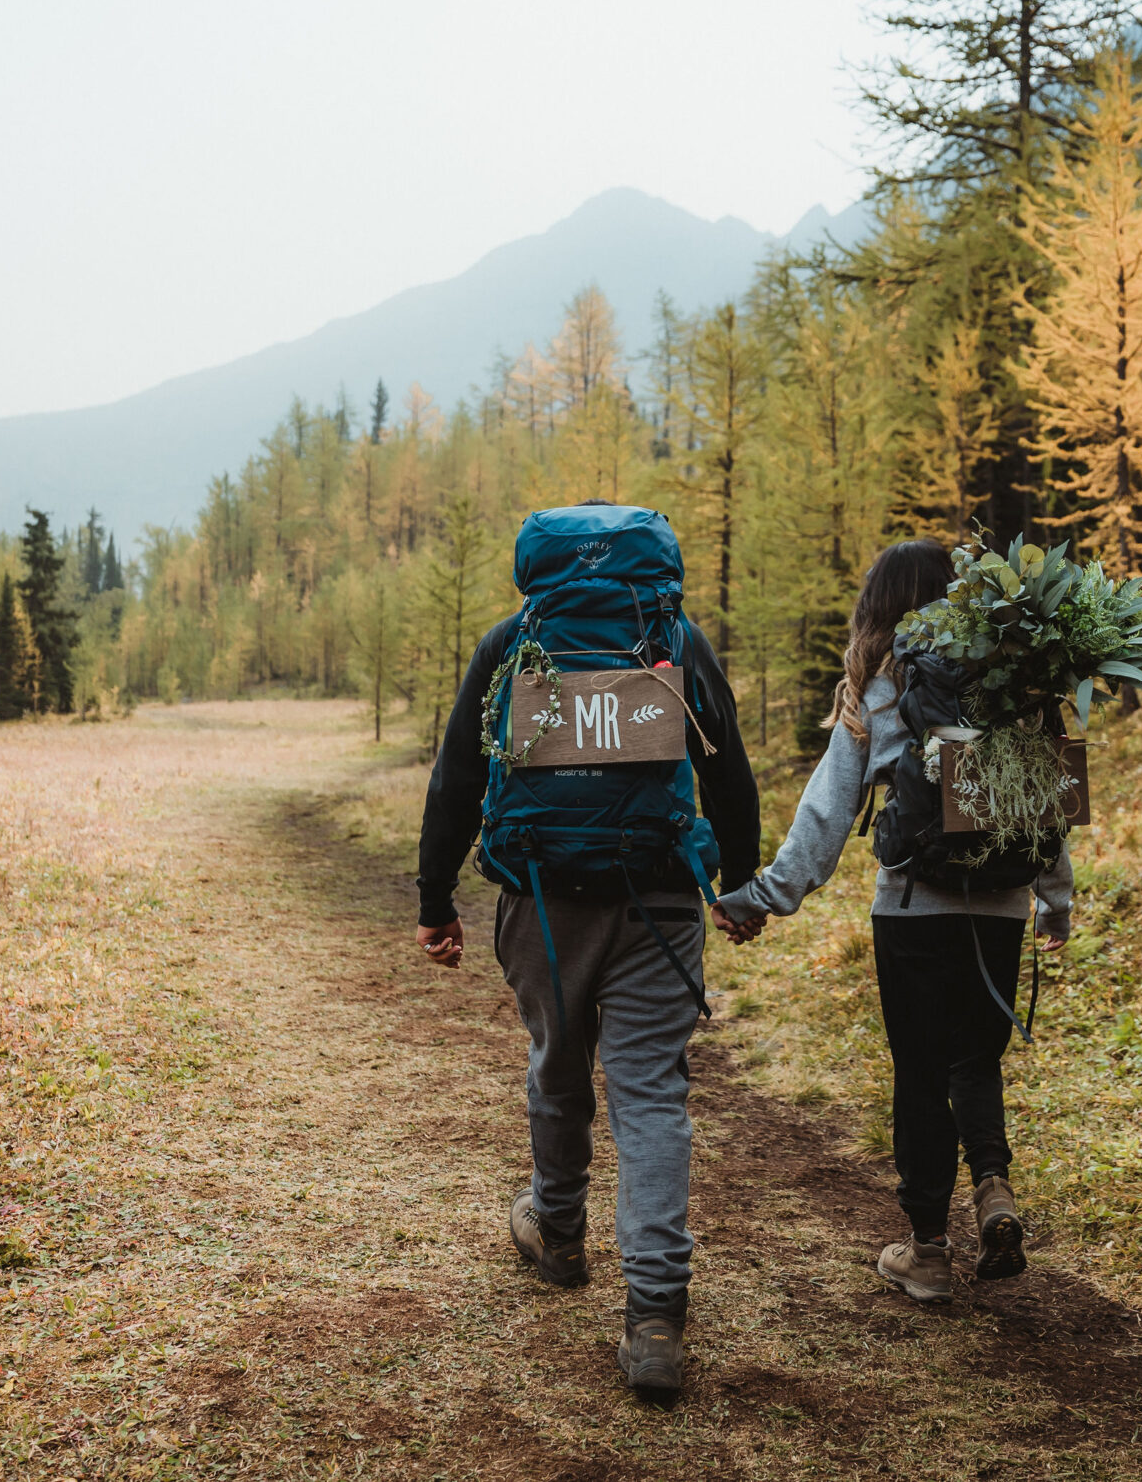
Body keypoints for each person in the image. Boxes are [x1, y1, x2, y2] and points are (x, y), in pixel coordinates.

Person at [415, 507, 758, 1404]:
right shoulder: (671, 636)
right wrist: (740, 880)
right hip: (660, 900)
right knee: (650, 1092)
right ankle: (653, 1313)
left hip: (541, 898)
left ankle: (559, 1233)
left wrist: (434, 899)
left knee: (558, 1067)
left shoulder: (515, 641)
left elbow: (457, 771)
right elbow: (728, 768)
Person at [712, 539, 1070, 1302]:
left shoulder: (881, 683)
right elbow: (1044, 792)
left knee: (921, 1069)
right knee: (976, 1056)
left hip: (912, 906)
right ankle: (995, 1186)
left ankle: (930, 1251)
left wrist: (760, 897)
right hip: (1003, 903)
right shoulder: (1011, 677)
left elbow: (829, 810)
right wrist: (1055, 898)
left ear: (879, 604)